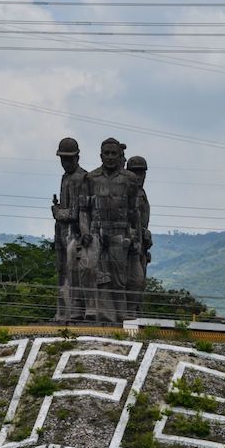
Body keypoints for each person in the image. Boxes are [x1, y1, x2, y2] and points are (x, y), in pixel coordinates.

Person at [80, 138, 140, 323]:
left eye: (114, 153)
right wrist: (84, 231)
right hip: (96, 231)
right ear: (101, 155)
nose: (110, 157)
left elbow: (134, 211)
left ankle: (121, 314)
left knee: (119, 276)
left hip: (119, 232)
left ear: (120, 155)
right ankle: (92, 309)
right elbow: (83, 210)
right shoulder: (91, 178)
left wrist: (134, 235)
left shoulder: (129, 179)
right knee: (89, 268)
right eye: (107, 153)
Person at [52, 137, 89, 322]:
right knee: (62, 272)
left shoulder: (82, 178)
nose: (66, 163)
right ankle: (62, 312)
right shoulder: (65, 177)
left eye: (69, 158)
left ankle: (75, 311)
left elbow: (76, 212)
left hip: (75, 234)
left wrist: (58, 212)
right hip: (62, 233)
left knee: (74, 274)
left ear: (77, 157)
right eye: (63, 159)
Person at [124, 155, 151, 318]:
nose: (139, 176)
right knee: (133, 280)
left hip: (141, 246)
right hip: (129, 245)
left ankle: (135, 312)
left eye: (142, 173)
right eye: (135, 173)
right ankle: (129, 313)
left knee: (140, 283)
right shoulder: (127, 194)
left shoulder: (142, 194)